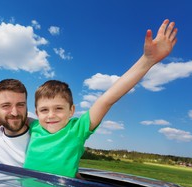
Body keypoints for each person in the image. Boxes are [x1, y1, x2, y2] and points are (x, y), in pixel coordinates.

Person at [24, 19, 178, 178]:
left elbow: (107, 99)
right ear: (36, 112)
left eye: (58, 108)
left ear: (71, 111)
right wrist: (0, 120)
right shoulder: (34, 126)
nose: (51, 115)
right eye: (44, 110)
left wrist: (147, 60)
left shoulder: (76, 130)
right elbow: (18, 118)